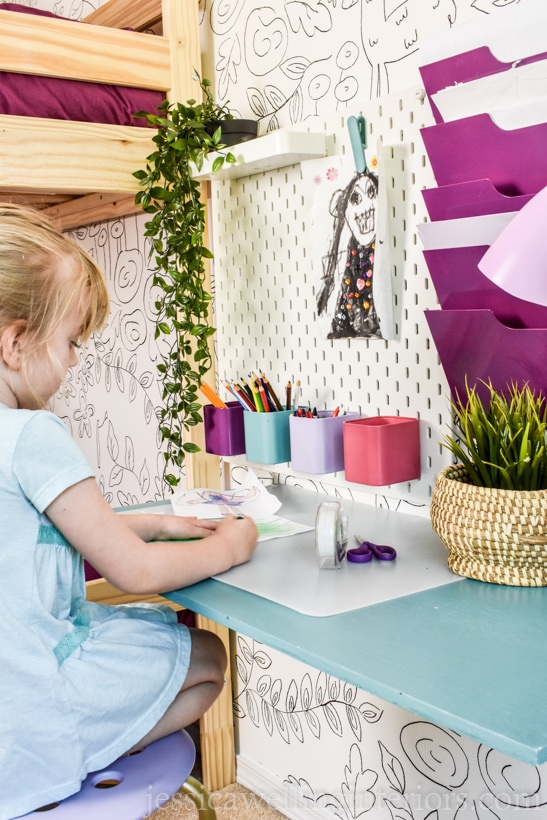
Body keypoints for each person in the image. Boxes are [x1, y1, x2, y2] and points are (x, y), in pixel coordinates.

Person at [0, 203, 258, 818]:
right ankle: (58, 757)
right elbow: (134, 574)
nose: (73, 362)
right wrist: (231, 545)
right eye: (71, 342)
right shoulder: (31, 433)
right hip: (32, 700)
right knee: (208, 662)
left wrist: (156, 522)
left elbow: (40, 533)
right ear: (16, 343)